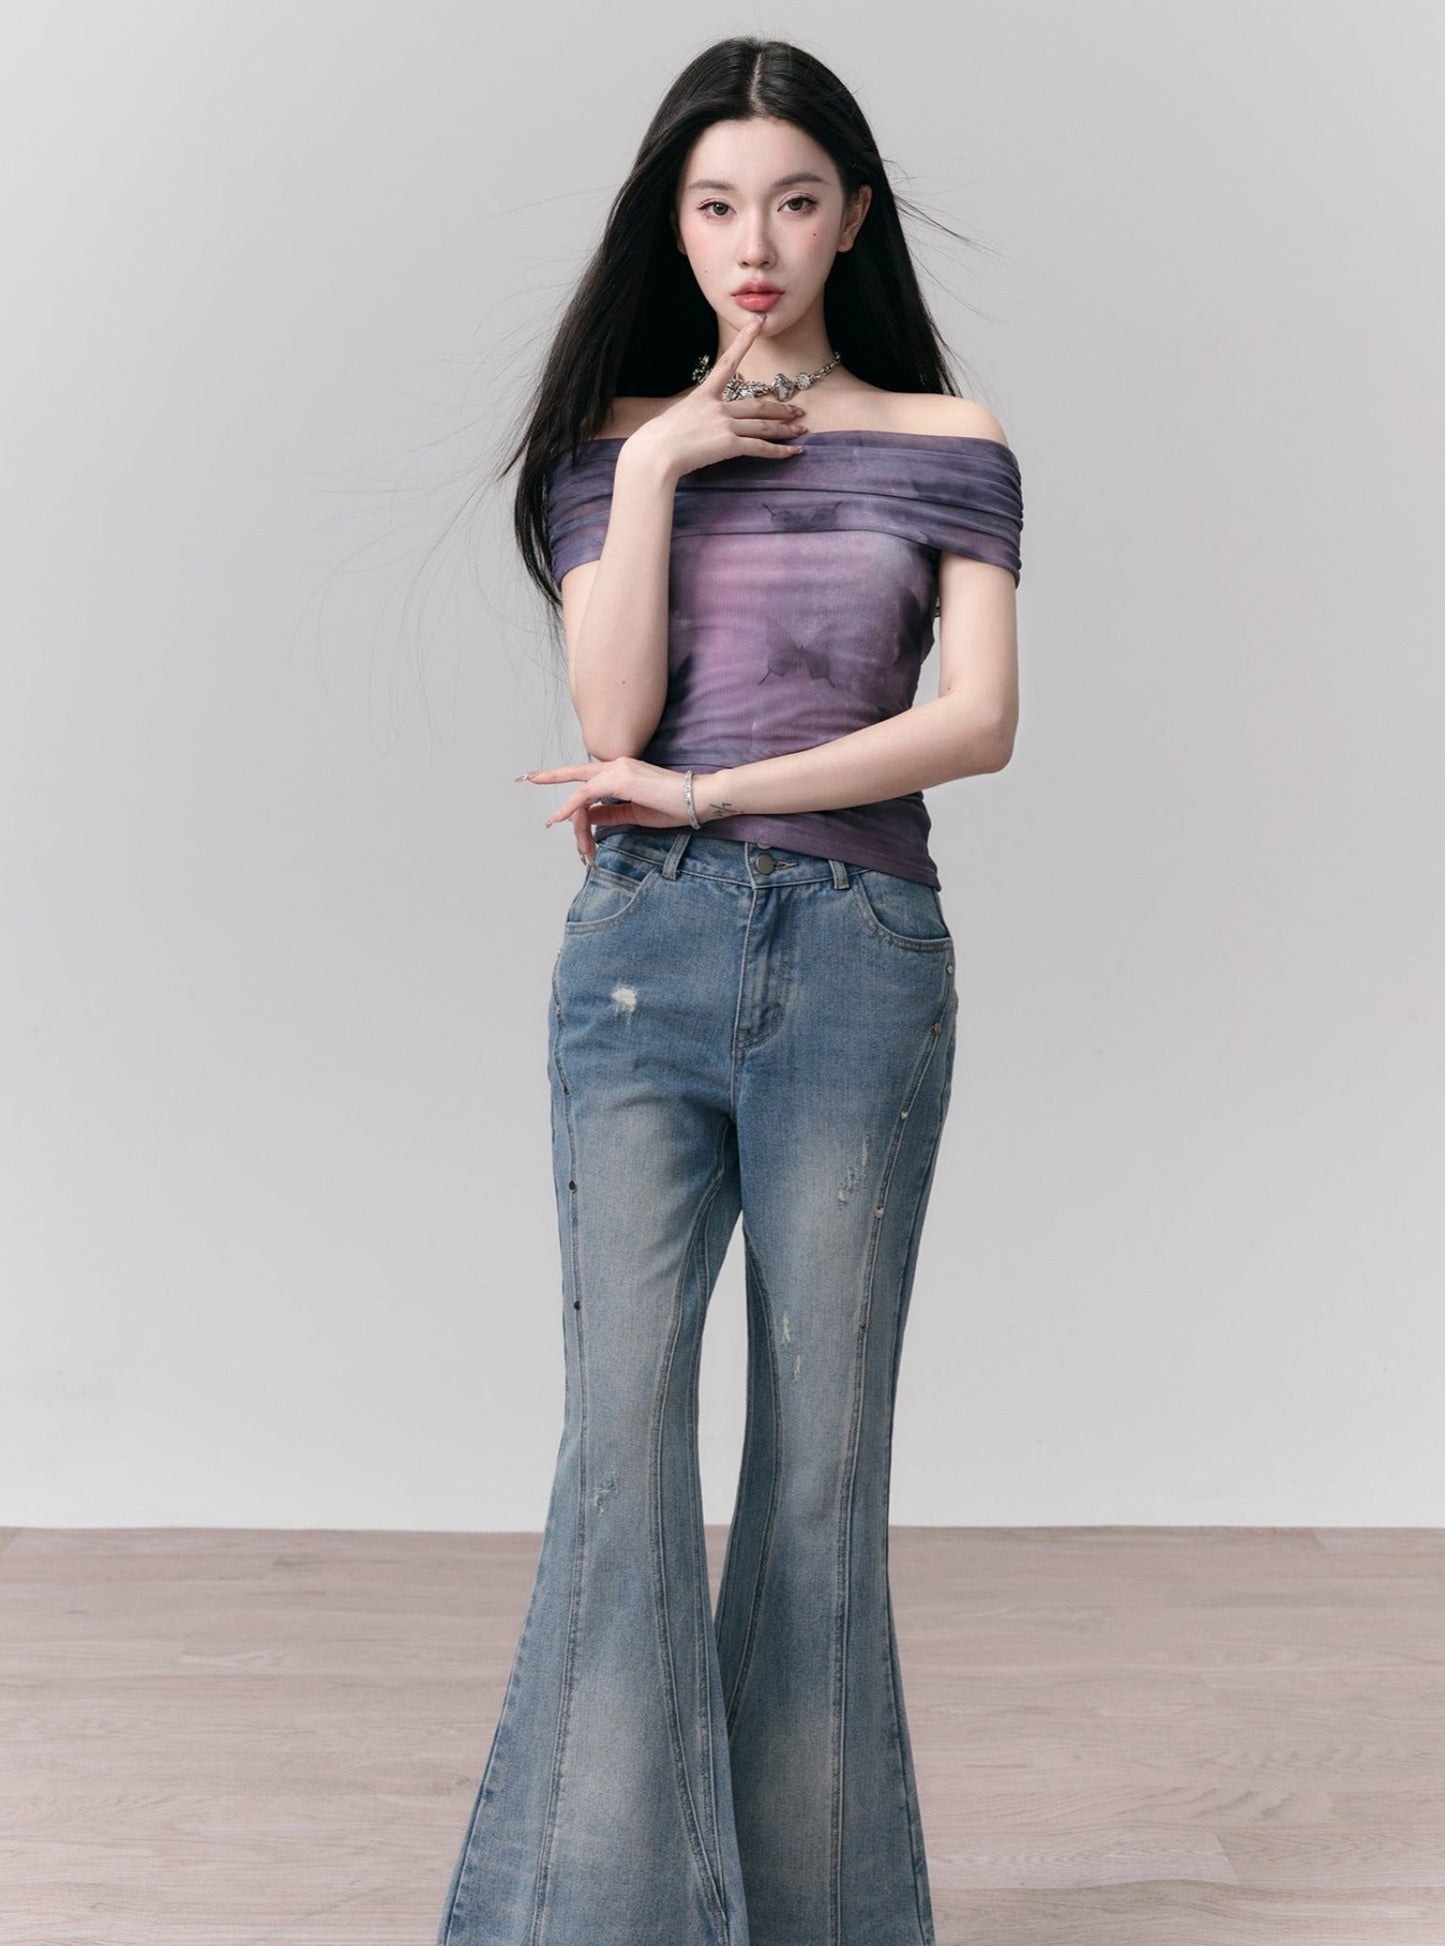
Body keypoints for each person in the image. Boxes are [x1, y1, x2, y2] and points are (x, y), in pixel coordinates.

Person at [435, 35, 1023, 1946]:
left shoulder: (947, 440)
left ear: (851, 216)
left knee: (818, 1476)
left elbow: (976, 723)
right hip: (641, 961)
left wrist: (707, 789)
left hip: (859, 961)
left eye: (788, 199)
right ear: (670, 227)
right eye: (712, 205)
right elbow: (609, 710)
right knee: (618, 1453)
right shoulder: (614, 446)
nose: (751, 241)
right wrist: (667, 455)